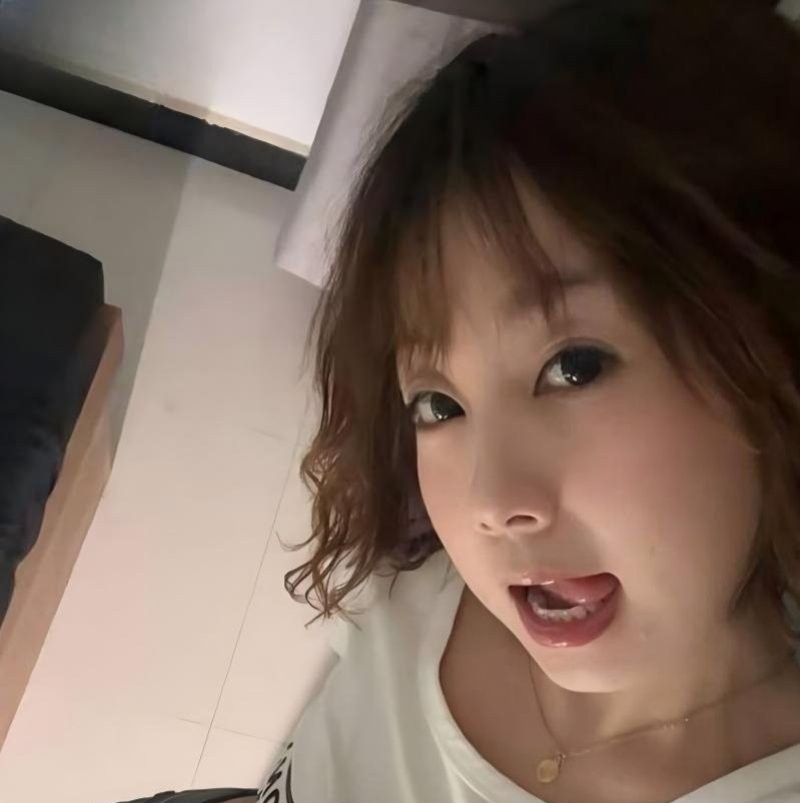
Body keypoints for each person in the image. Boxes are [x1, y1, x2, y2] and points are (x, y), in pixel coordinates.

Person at [122, 1, 800, 801]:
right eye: (438, 405)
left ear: (769, 340)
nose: (492, 504)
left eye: (574, 366)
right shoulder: (418, 578)